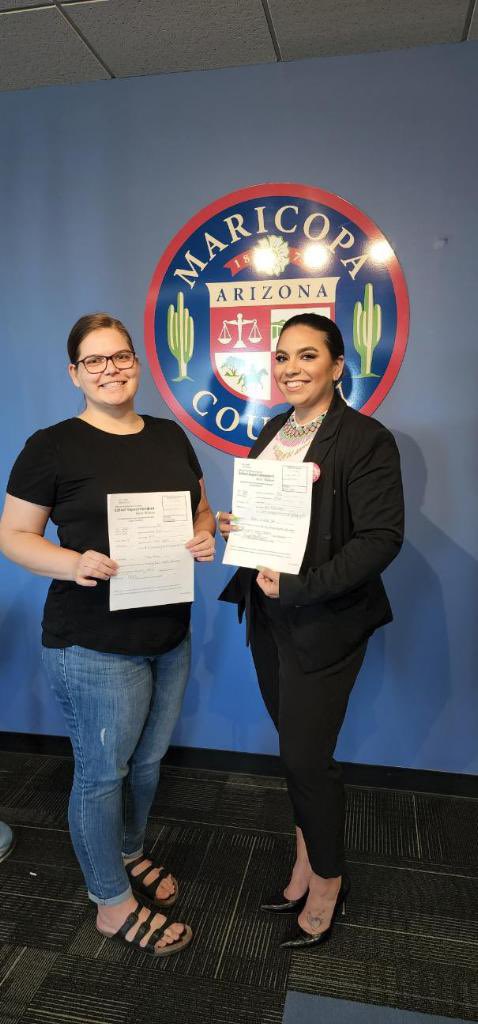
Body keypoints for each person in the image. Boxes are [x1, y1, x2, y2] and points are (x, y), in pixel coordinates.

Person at [0, 313, 215, 957]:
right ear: (75, 373)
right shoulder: (52, 445)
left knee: (146, 765)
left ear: (137, 364)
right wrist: (74, 563)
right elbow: (12, 536)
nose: (110, 369)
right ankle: (111, 903)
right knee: (101, 775)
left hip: (167, 632)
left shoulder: (171, 436)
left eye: (119, 357)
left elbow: (199, 506)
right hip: (90, 642)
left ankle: (128, 850)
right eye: (94, 361)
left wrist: (204, 533)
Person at [218, 313, 403, 950]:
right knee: (292, 753)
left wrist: (298, 586)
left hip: (323, 620)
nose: (291, 368)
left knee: (304, 758)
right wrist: (233, 526)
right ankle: (304, 861)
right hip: (268, 618)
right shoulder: (274, 429)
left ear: (337, 365)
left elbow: (381, 539)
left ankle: (328, 879)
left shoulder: (366, 438)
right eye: (281, 357)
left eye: (307, 356)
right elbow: (273, 520)